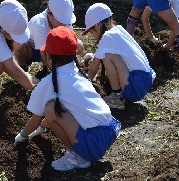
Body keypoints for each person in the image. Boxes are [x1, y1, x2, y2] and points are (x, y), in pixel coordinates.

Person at [14, 26, 121, 172]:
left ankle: (78, 157)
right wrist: (43, 127)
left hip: (94, 144)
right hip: (111, 130)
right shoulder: (78, 73)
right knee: (54, 107)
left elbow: (36, 119)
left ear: (49, 56)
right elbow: (68, 111)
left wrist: (21, 136)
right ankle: (83, 152)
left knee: (50, 108)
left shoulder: (49, 82)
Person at [83, 3, 156, 110]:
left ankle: (117, 98)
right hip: (146, 80)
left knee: (107, 56)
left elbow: (94, 67)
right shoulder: (119, 30)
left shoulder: (106, 37)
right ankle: (119, 95)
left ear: (98, 26)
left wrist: (87, 81)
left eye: (91, 31)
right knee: (108, 55)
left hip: (136, 86)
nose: (93, 36)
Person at [13, 0, 84, 72]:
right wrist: (56, 73)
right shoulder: (39, 23)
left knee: (79, 45)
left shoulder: (66, 23)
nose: (65, 24)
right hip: (34, 50)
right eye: (61, 21)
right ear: (49, 13)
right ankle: (23, 68)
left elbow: (70, 43)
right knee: (20, 45)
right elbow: (44, 52)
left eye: (66, 21)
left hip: (53, 48)